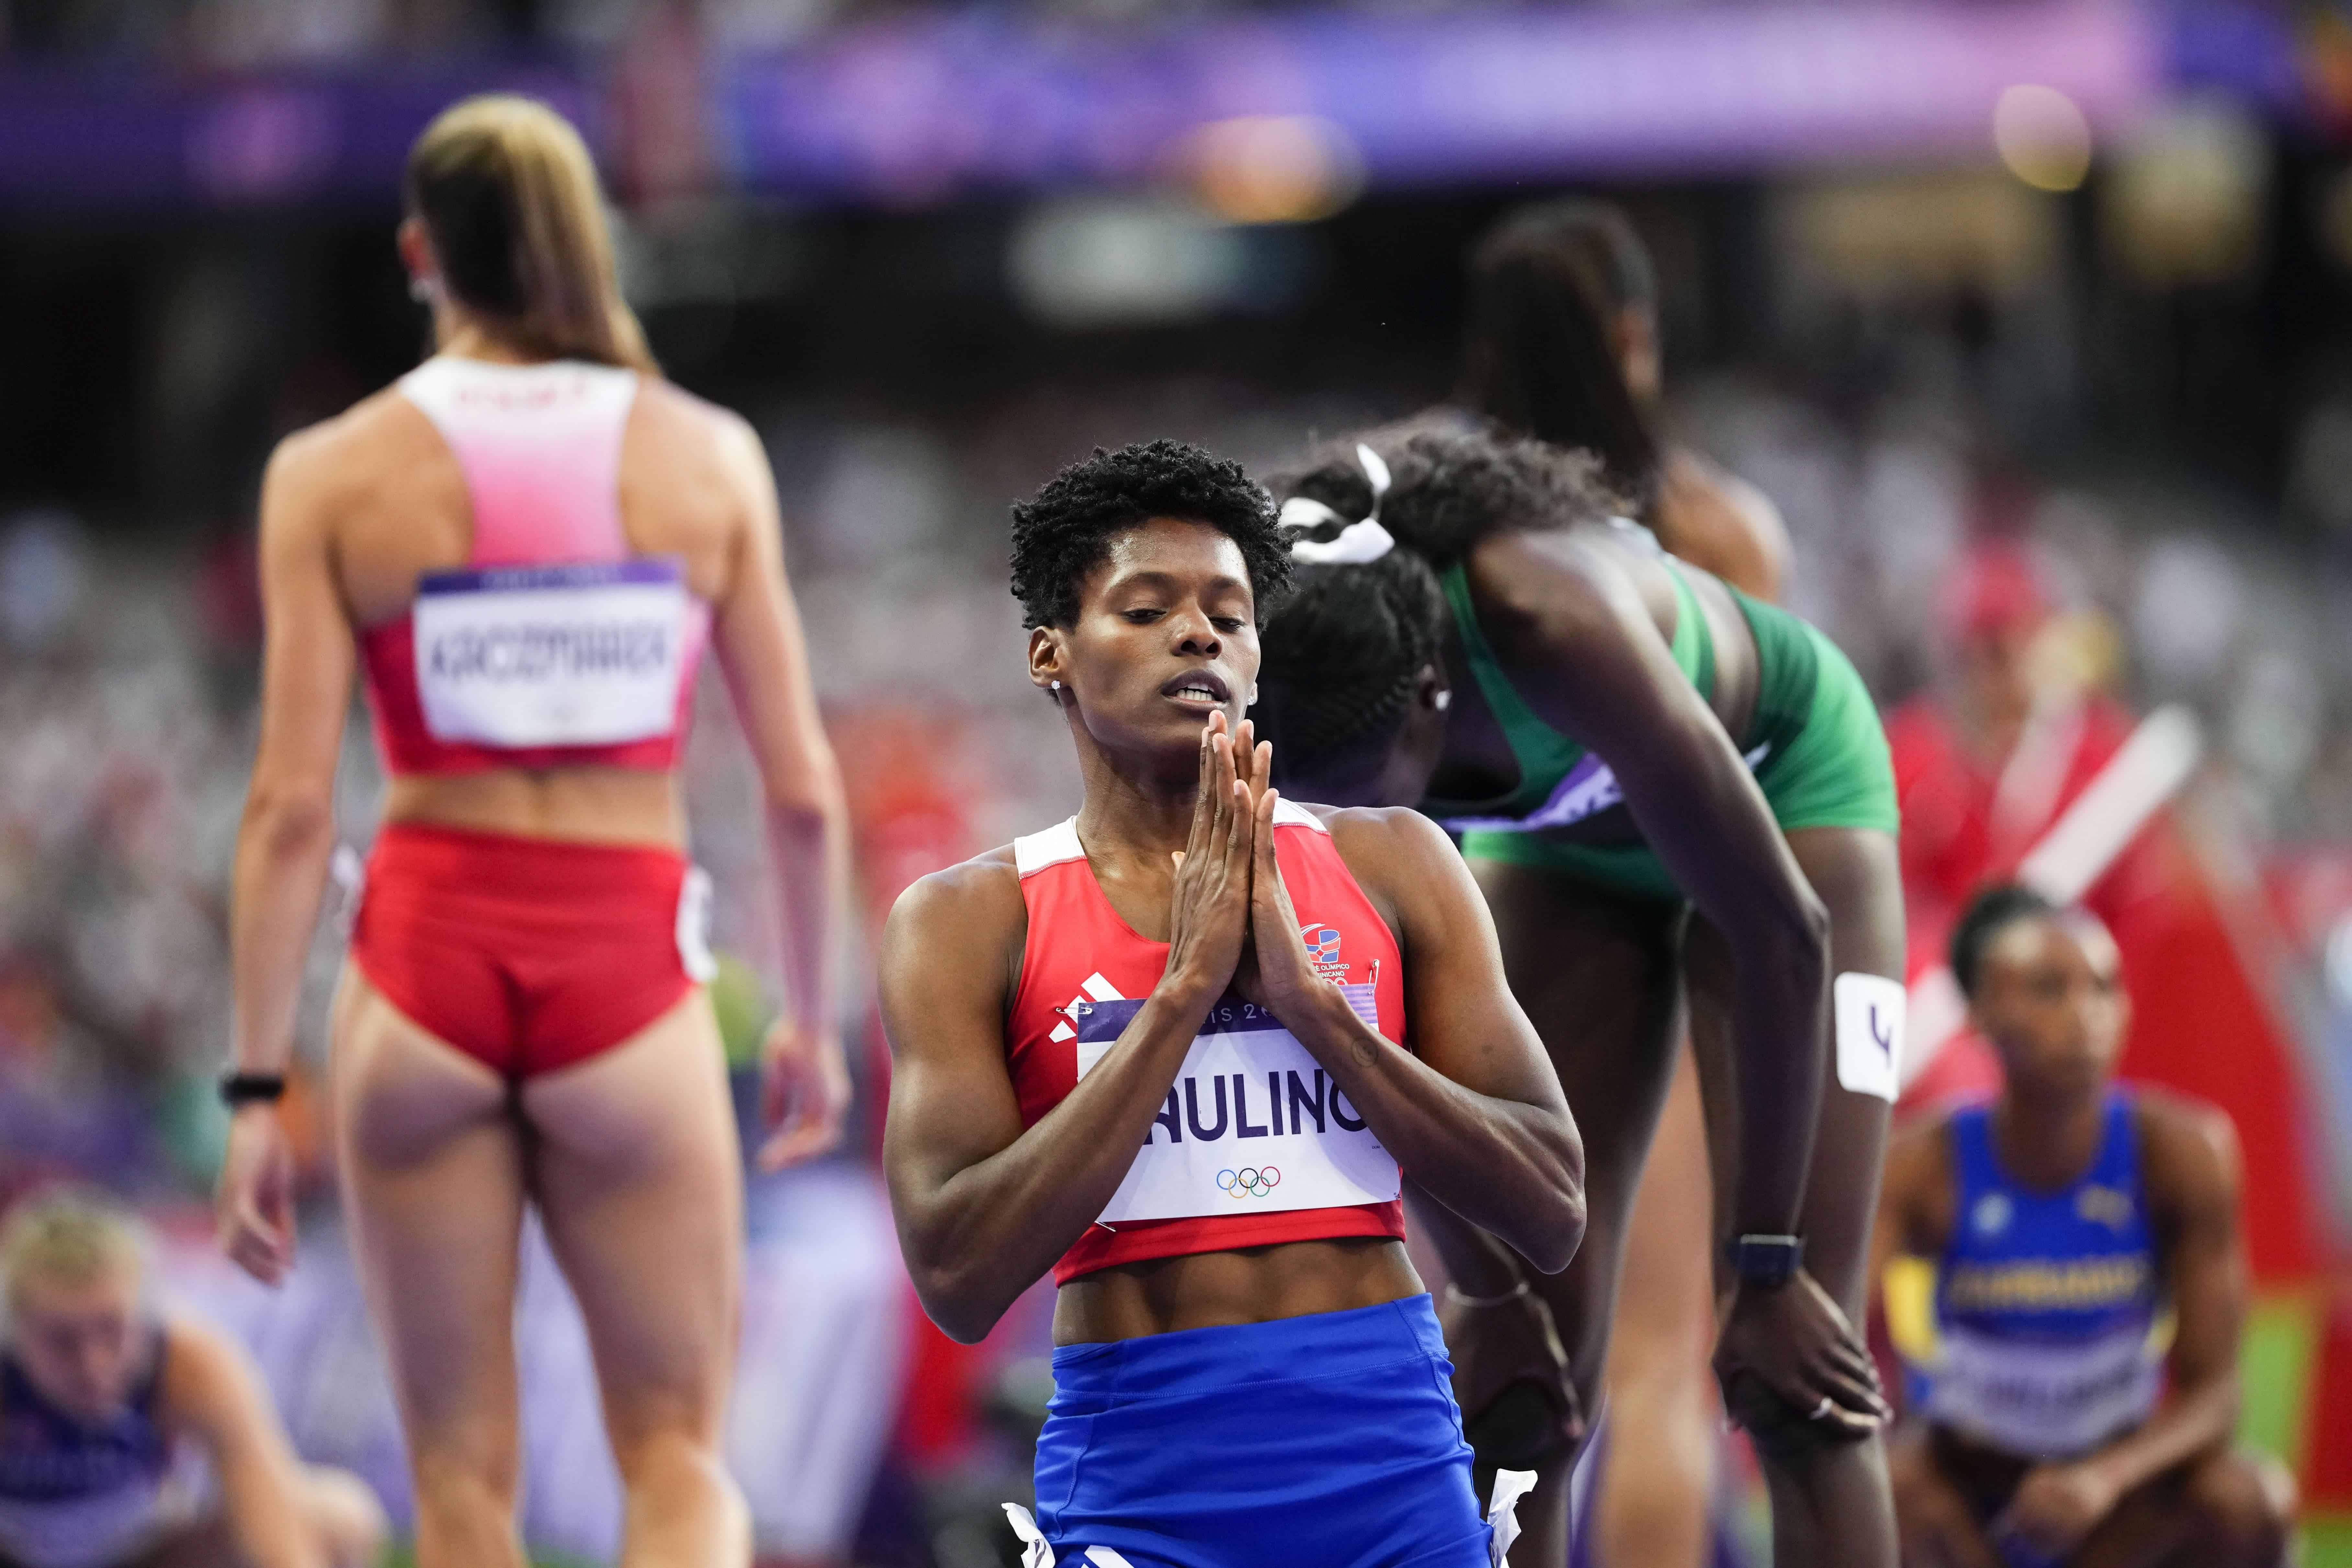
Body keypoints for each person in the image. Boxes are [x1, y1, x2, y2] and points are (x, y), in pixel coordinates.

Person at [214, 95, 850, 1568]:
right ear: (583, 242)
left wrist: (256, 1082)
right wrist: (807, 1020)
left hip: (423, 957)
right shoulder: (706, 456)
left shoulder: (330, 469)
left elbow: (291, 802)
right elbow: (802, 784)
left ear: (419, 251)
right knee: (679, 1458)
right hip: (621, 965)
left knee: (455, 1480)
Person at [877, 440, 1585, 1566]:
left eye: (1230, 613)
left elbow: (1550, 1203)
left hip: (1389, 1462)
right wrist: (1181, 997)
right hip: (1143, 1482)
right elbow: (960, 1280)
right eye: (1146, 607)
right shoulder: (966, 921)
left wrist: (1314, 1007)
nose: (1198, 634)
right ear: (1049, 653)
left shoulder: (1397, 864)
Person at [1254, 426, 1904, 1567]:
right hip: (1573, 857)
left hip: (1787, 800)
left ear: (1427, 696)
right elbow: (1389, 1061)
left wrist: (1766, 1261)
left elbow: (1781, 934)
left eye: (1371, 799)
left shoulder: (1548, 620)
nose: (1346, 831)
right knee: (1510, 1385)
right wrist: (1492, 1283)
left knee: (1796, 1376)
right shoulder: (1288, 692)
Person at [1453, 197, 1797, 1568]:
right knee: (1656, 1359)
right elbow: (1774, 782)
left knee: (1524, 1359)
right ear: (1634, 341)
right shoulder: (1717, 532)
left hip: (1492, 941)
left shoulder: (1453, 538)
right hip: (1662, 928)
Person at [1874, 886, 2295, 1568]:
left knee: (2249, 1502)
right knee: (1874, 1490)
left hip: (2111, 1497)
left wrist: (2104, 1479)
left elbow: (2215, 1393)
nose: (2085, 1016)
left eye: (2104, 987)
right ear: (1979, 1015)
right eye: (2048, 990)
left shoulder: (2181, 1155)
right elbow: (1824, 1337)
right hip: (1966, 1494)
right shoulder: (1922, 1166)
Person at [0, 1188, 386, 1568]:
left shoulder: (192, 1367)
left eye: (112, 1330)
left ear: (146, 1316)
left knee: (340, 1518)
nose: (93, 1362)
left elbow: (275, 1531)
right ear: (15, 1332)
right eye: (62, 1341)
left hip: (147, 1555)